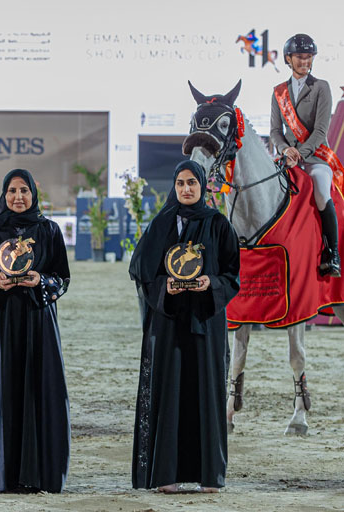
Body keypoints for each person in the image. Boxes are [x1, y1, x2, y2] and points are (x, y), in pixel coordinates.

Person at [130, 160, 240, 493]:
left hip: (206, 322)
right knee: (170, 391)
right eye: (180, 183)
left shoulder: (218, 224)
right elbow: (142, 272)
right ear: (174, 187)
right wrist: (166, 287)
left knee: (207, 392)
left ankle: (210, 476)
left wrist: (212, 283)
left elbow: (233, 275)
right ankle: (166, 475)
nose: (186, 189)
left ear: (202, 185)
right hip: (169, 323)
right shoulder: (161, 223)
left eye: (192, 182)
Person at [0, 168, 71, 493]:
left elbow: (62, 279)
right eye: (12, 191)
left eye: (24, 190)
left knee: (37, 390)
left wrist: (41, 281)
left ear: (33, 194)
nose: (18, 197)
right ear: (4, 194)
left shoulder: (49, 231)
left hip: (37, 322)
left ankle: (35, 474)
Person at [270, 33, 342, 277]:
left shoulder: (321, 87)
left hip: (315, 158)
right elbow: (274, 131)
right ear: (288, 59)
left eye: (308, 57)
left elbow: (321, 130)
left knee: (322, 189)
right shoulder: (278, 92)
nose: (305, 61)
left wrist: (299, 154)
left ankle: (332, 253)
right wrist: (283, 150)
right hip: (287, 158)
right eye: (300, 57)